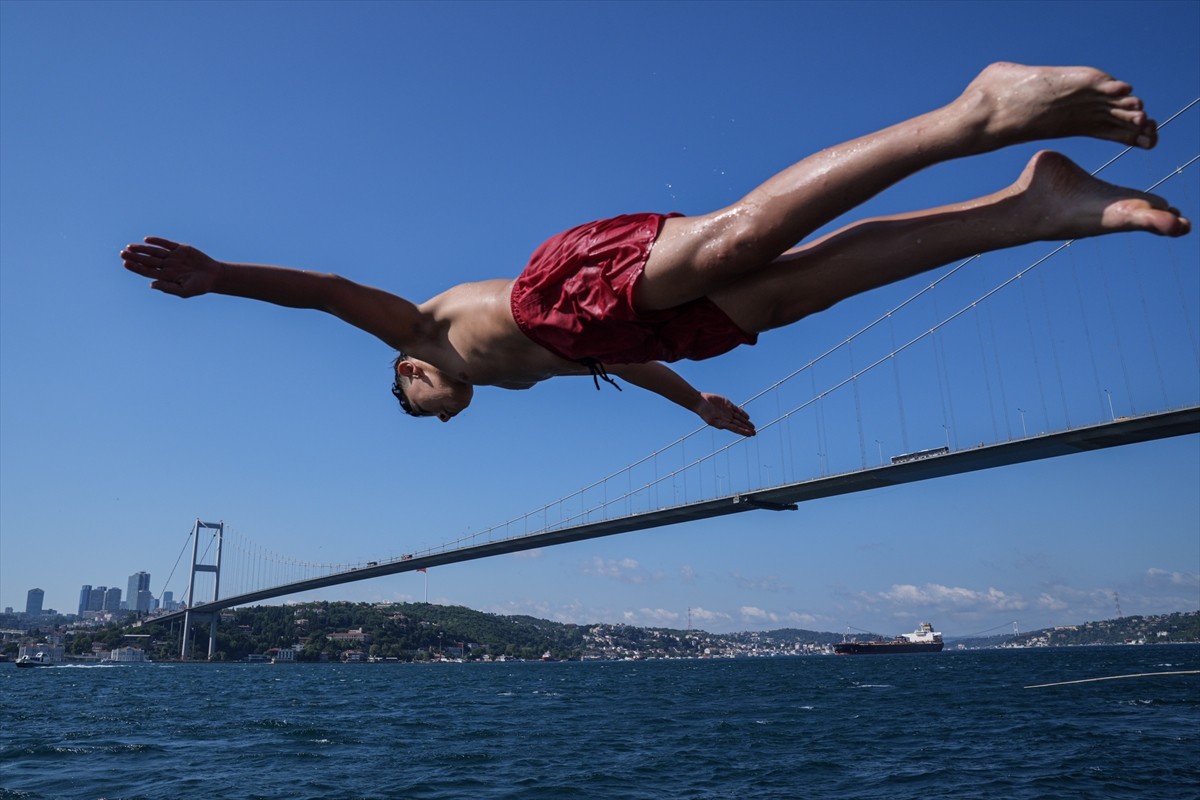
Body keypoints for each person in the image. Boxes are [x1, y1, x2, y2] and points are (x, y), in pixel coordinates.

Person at [122, 62, 1190, 437]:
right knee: (797, 293)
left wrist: (222, 279)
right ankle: (1030, 206)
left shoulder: (427, 329)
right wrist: (698, 406)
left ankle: (979, 113)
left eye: (422, 411)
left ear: (414, 375)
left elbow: (329, 289)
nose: (438, 416)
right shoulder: (516, 382)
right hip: (620, 329)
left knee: (743, 236)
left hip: (571, 286)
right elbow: (620, 363)